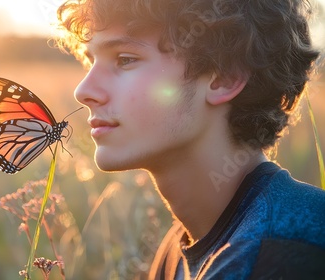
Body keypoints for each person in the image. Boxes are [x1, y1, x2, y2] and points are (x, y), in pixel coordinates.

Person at [55, 0, 325, 279]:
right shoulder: (181, 246)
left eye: (125, 59)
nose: (84, 90)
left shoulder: (283, 255)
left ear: (224, 77)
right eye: (90, 61)